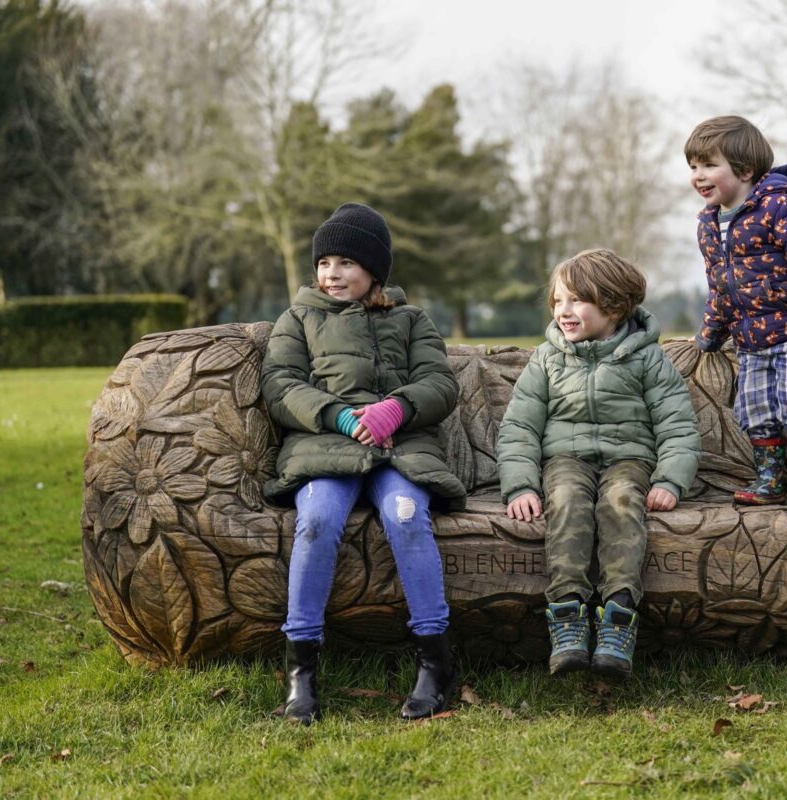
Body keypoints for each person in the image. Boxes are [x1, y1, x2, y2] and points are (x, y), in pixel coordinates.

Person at [261, 202, 466, 724]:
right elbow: (281, 387)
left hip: (401, 447)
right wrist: (339, 416)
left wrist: (398, 407)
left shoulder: (410, 319)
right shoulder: (298, 319)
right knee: (318, 520)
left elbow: (441, 382)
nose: (332, 273)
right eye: (325, 262)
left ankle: (434, 663)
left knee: (404, 515)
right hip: (326, 447)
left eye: (347, 262)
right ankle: (301, 670)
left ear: (373, 268)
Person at [497, 249, 701, 679]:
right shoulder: (549, 358)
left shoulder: (646, 358)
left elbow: (678, 424)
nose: (563, 312)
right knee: (568, 498)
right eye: (557, 301)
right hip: (565, 459)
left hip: (630, 459)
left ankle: (618, 617)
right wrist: (520, 486)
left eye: (575, 301)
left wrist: (669, 481)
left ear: (612, 306)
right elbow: (519, 427)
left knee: (623, 500)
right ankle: (567, 615)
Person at [685, 115, 787, 509]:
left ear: (744, 170)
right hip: (751, 339)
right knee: (754, 407)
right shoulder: (709, 225)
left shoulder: (782, 207)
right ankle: (769, 476)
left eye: (709, 165)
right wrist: (711, 332)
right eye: (693, 166)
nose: (698, 175)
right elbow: (721, 286)